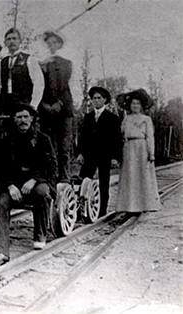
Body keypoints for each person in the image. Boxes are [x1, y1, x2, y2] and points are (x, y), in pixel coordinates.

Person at [0, 105, 57, 267]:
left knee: (42, 192)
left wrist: (34, 179)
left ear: (31, 119)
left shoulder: (43, 139)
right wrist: (10, 185)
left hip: (36, 185)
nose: (22, 120)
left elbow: (51, 166)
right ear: (14, 120)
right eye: (19, 117)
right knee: (2, 205)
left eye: (26, 117)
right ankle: (0, 252)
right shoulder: (5, 140)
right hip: (13, 188)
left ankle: (40, 235)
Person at [77, 86, 122, 218]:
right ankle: (81, 209)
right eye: (93, 98)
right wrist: (80, 153)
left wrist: (115, 157)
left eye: (99, 98)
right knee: (84, 180)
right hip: (89, 155)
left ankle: (101, 210)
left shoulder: (112, 118)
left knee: (104, 182)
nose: (96, 101)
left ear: (105, 100)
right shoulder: (88, 117)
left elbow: (117, 139)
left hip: (105, 155)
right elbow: (82, 137)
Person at [116, 89, 162, 213]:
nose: (135, 106)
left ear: (141, 106)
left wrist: (151, 153)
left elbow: (150, 137)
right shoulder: (126, 119)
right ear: (129, 106)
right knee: (130, 176)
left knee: (143, 175)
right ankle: (129, 206)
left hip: (141, 148)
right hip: (129, 148)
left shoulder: (146, 119)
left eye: (137, 104)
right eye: (133, 104)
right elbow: (121, 133)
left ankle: (145, 204)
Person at [38, 30, 75, 187]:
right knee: (48, 144)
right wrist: (44, 105)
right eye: (49, 43)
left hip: (64, 109)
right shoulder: (42, 63)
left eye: (54, 43)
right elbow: (39, 86)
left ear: (59, 44)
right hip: (46, 110)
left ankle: (65, 176)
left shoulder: (67, 63)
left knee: (64, 145)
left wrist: (59, 103)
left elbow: (65, 86)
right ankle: (51, 175)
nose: (51, 46)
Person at [0, 28, 44, 118]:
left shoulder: (30, 59)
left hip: (25, 104)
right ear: (5, 43)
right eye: (9, 39)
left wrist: (33, 105)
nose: (12, 41)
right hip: (6, 104)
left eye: (14, 38)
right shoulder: (2, 62)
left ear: (20, 41)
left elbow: (39, 84)